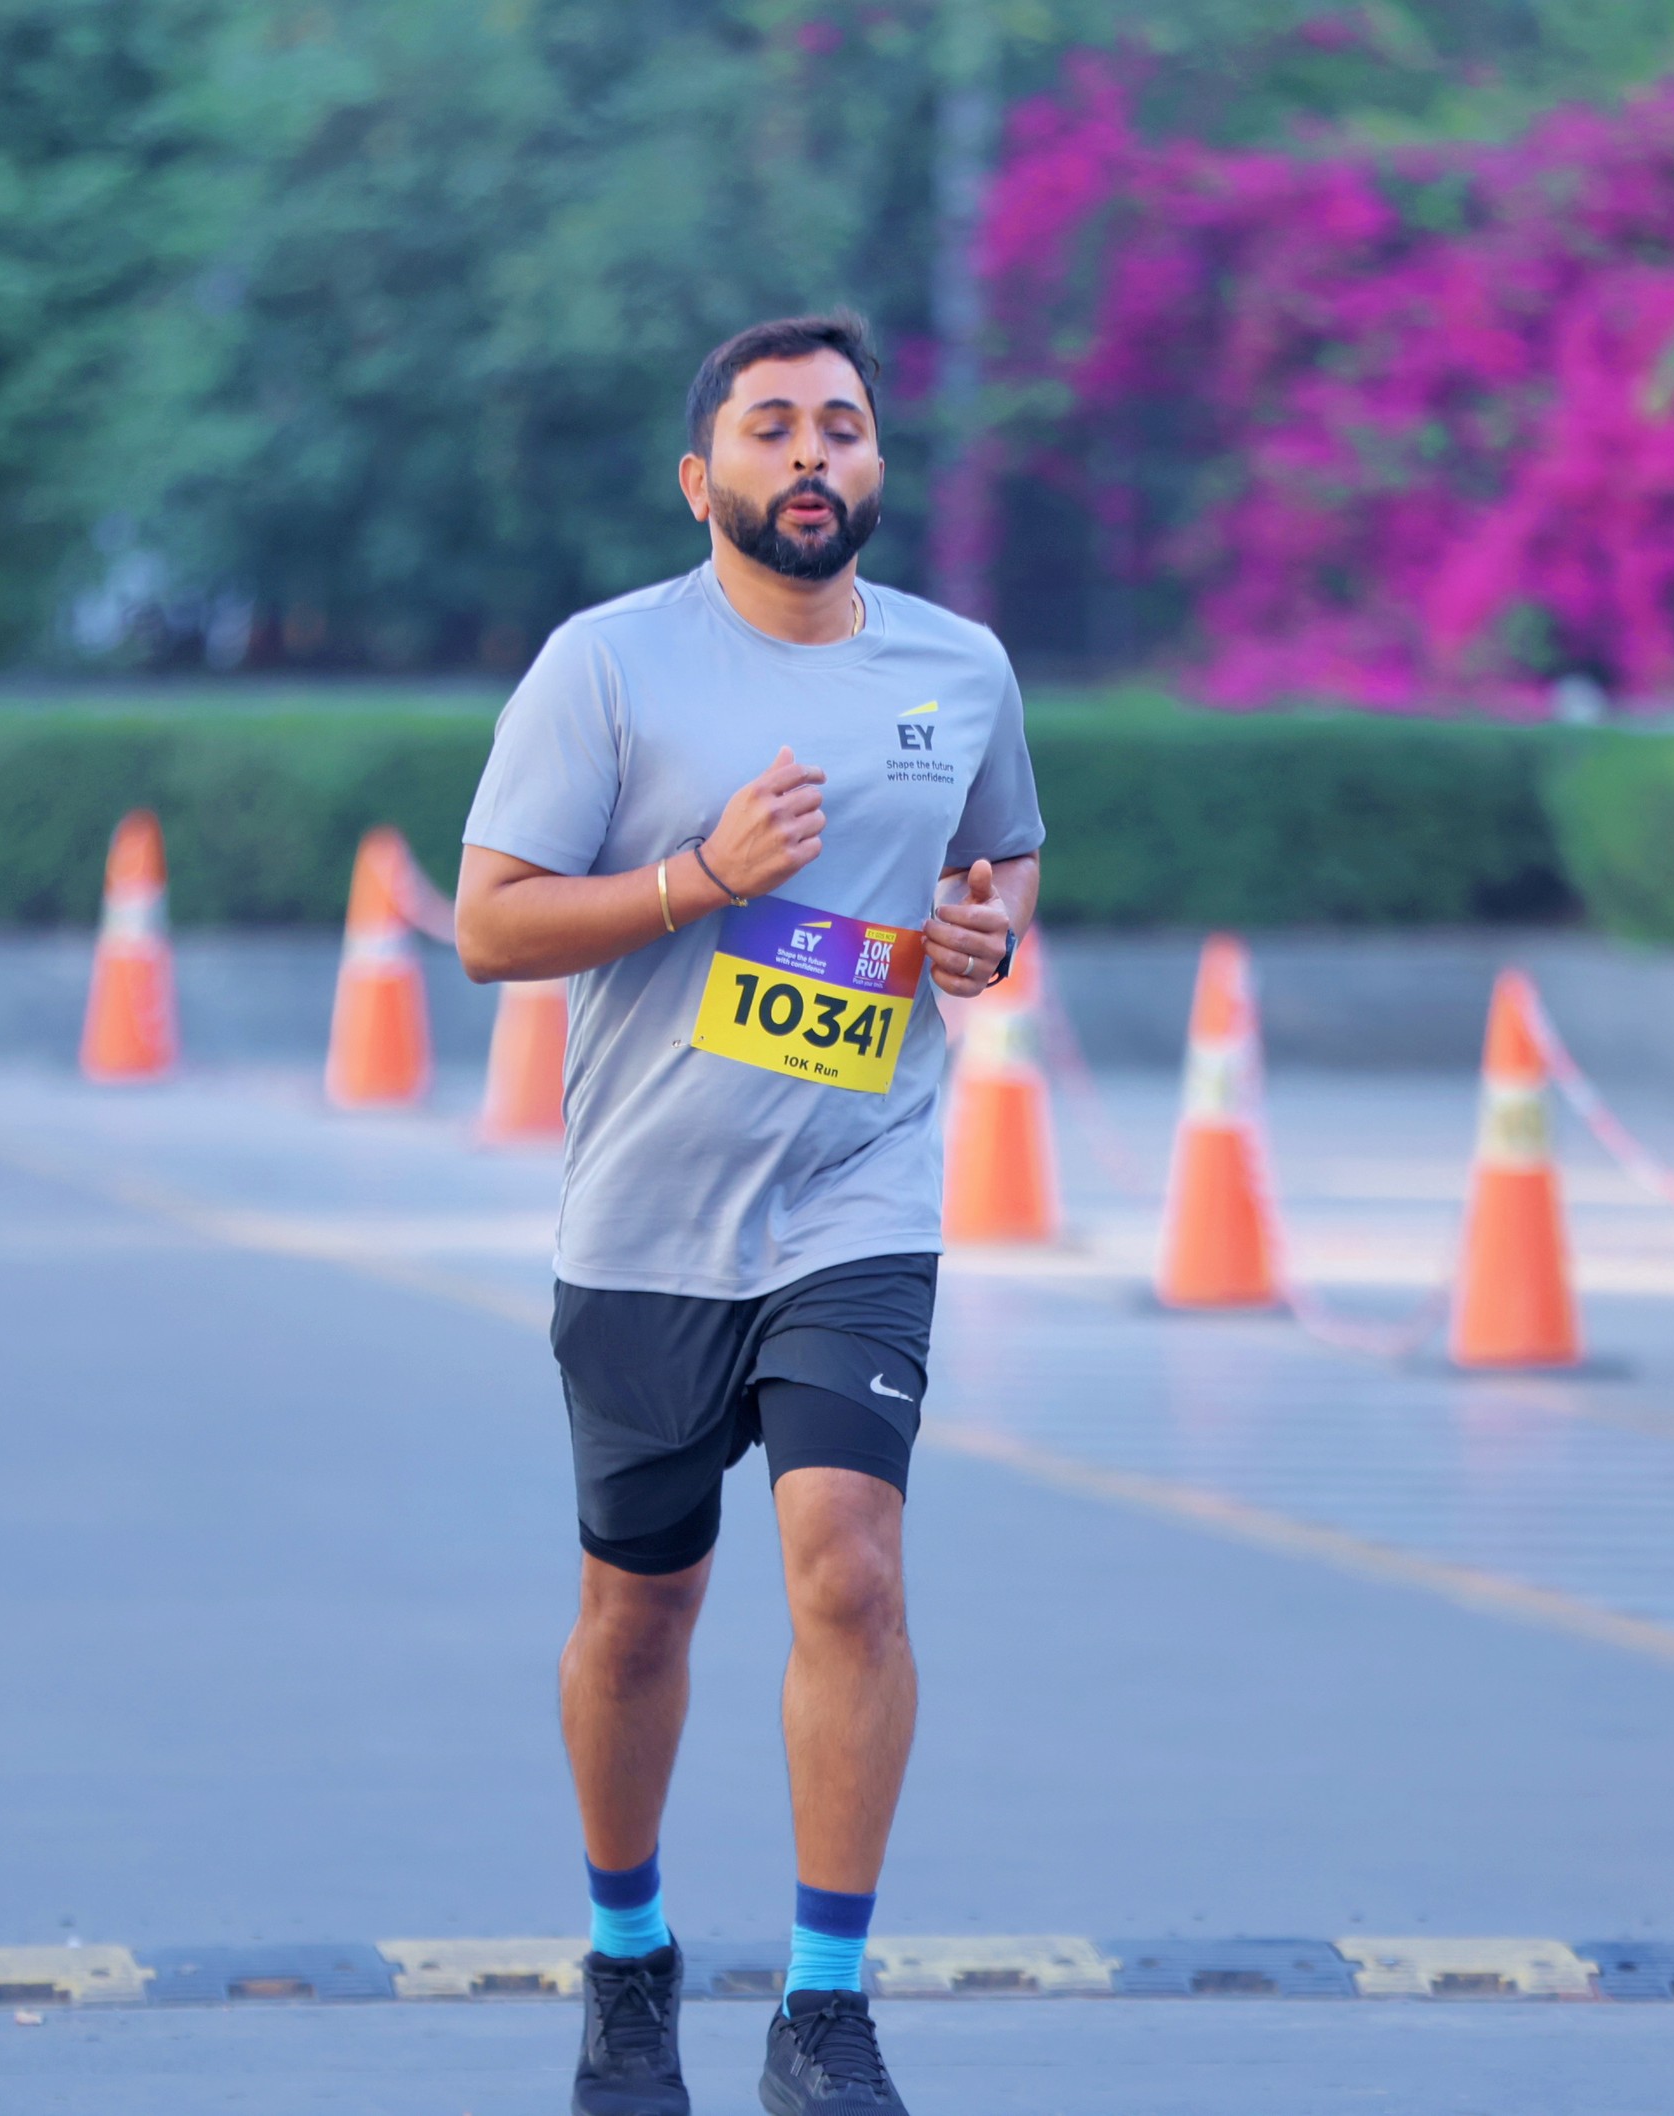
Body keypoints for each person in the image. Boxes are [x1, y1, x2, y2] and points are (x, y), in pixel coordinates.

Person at [454, 310, 1044, 2116]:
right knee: (638, 1611)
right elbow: (487, 924)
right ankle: (628, 1960)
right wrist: (696, 877)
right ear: (697, 475)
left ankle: (822, 2008)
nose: (810, 454)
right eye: (771, 425)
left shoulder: (957, 668)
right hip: (646, 1219)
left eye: (840, 426)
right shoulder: (608, 667)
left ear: (875, 464)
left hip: (855, 1195)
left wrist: (983, 933)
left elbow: (999, 858)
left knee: (849, 1567)